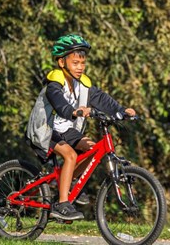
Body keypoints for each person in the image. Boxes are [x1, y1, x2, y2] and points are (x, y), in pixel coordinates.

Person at [44, 34, 135, 221]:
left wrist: (121, 110)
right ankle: (61, 204)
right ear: (62, 62)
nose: (80, 67)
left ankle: (68, 182)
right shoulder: (55, 82)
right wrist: (74, 111)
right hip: (45, 129)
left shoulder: (83, 84)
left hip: (66, 130)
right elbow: (59, 104)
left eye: (82, 63)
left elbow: (101, 99)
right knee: (70, 155)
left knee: (93, 149)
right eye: (75, 63)